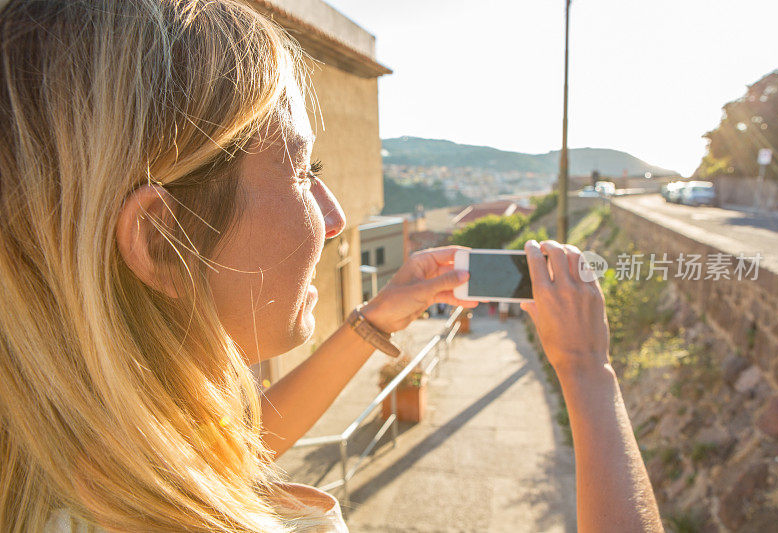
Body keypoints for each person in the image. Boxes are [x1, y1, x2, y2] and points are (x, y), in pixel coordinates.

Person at [0, 1, 662, 531]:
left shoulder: (67, 456)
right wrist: (588, 372)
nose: (337, 215)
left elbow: (227, 448)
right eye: (303, 171)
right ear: (161, 239)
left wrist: (374, 319)